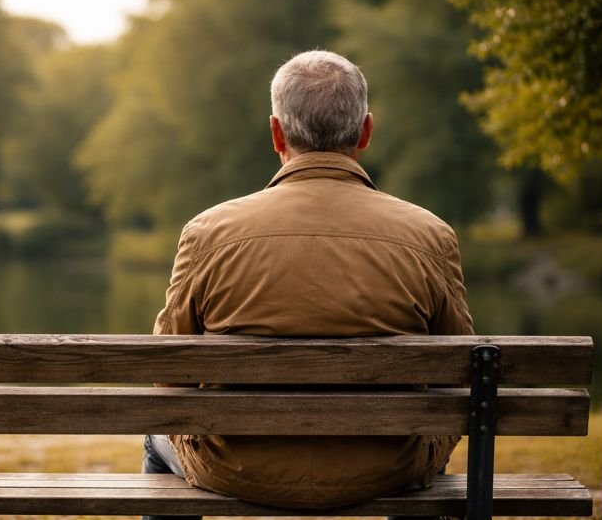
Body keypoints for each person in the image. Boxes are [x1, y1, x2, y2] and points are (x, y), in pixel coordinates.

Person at [142, 50, 473, 519]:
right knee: (430, 429)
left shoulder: (208, 233)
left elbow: (168, 370)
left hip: (235, 467)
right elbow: (459, 369)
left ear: (276, 133)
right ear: (366, 131)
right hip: (389, 466)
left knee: (156, 438)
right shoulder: (429, 235)